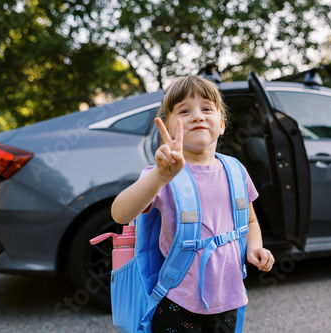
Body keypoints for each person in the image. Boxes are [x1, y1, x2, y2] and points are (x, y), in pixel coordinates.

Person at [111, 75, 274, 332]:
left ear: (221, 123)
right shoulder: (162, 174)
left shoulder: (236, 170)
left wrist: (255, 248)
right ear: (169, 127)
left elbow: (250, 221)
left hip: (228, 299)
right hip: (177, 301)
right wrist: (160, 176)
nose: (197, 116)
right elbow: (120, 214)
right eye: (184, 111)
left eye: (206, 108)